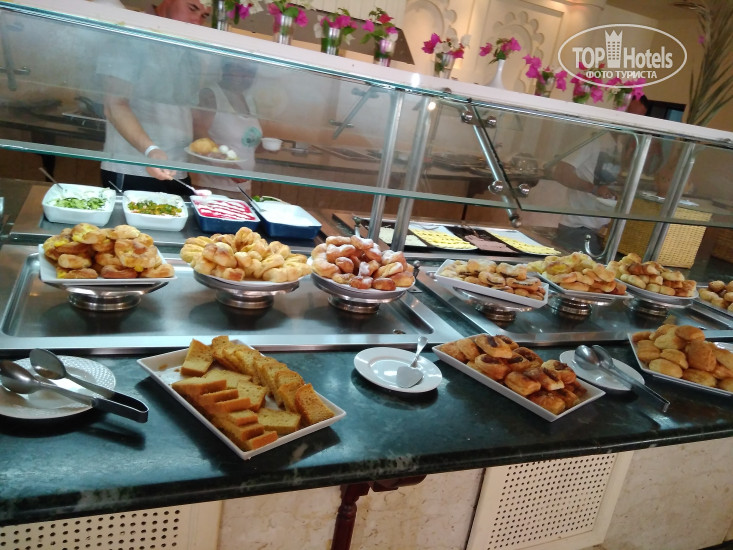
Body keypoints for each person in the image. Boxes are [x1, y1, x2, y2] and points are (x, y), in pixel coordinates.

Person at [97, 0, 212, 197]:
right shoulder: (131, 33)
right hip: (134, 169)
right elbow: (114, 105)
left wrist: (211, 148)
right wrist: (151, 150)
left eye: (204, 16)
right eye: (192, 8)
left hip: (178, 170)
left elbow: (188, 111)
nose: (196, 21)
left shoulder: (191, 53)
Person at [192, 59, 263, 195]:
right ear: (225, 69)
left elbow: (247, 144)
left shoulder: (249, 99)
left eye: (250, 72)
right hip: (213, 187)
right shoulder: (210, 95)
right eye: (239, 69)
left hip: (244, 186)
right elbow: (199, 136)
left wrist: (265, 147)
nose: (244, 75)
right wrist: (228, 165)